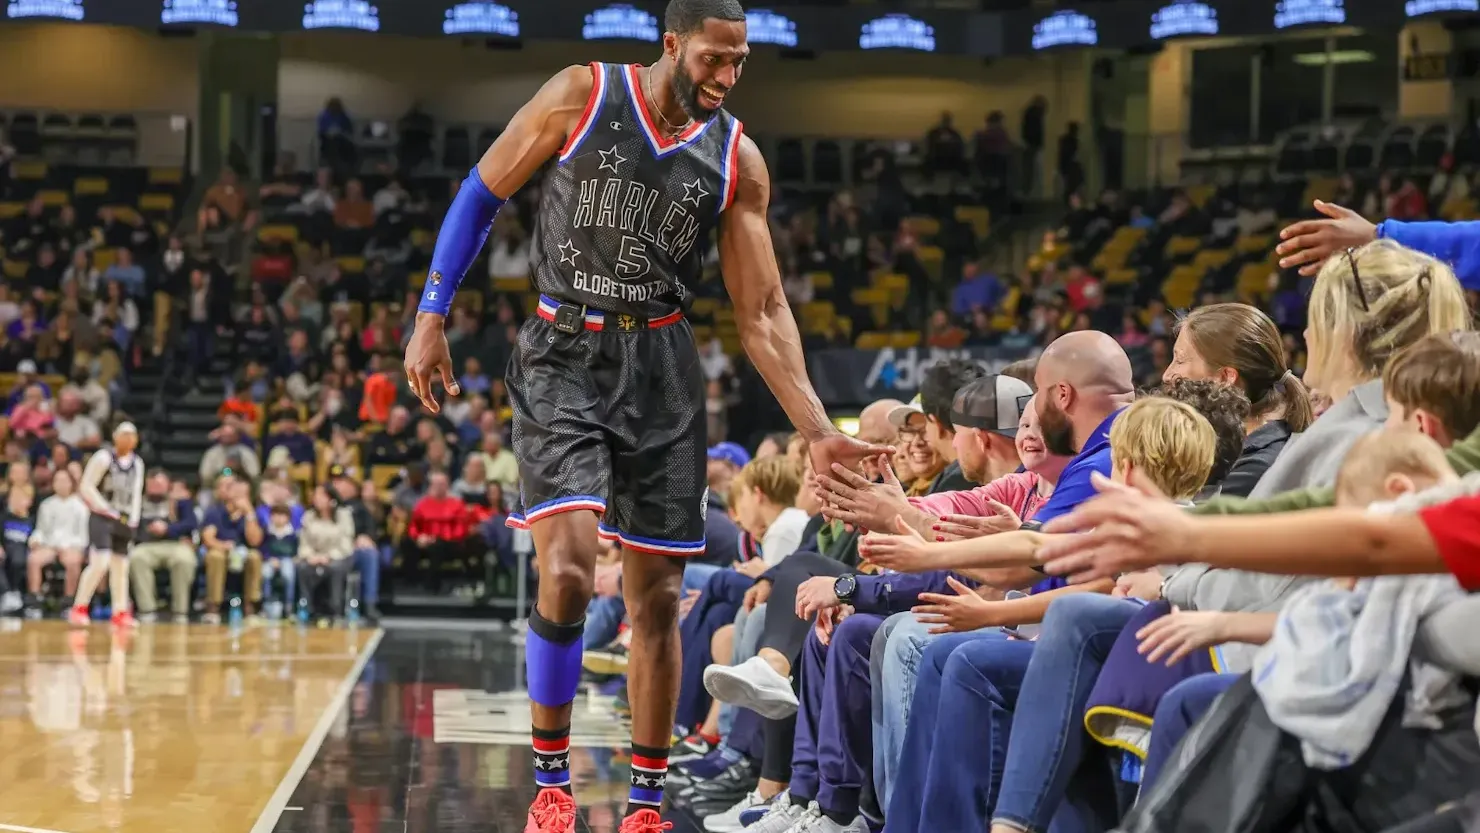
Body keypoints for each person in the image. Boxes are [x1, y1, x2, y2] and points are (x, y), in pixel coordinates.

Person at [400, 1, 887, 829]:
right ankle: (552, 783)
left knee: (656, 598)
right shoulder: (582, 93)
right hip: (562, 350)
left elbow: (764, 309)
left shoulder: (736, 157)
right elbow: (480, 192)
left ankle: (646, 805)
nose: (726, 76)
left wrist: (816, 427)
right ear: (672, 44)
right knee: (566, 568)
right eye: (713, 59)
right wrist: (431, 313)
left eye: (739, 62)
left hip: (662, 365)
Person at [69, 422, 145, 628]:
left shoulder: (137, 463)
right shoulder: (103, 458)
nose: (128, 440)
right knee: (100, 563)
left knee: (121, 566)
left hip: (124, 519)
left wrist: (134, 518)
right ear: (115, 437)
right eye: (124, 435)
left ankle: (120, 611)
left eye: (132, 436)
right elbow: (86, 486)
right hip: (101, 517)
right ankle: (79, 607)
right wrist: (104, 508)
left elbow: (137, 492)